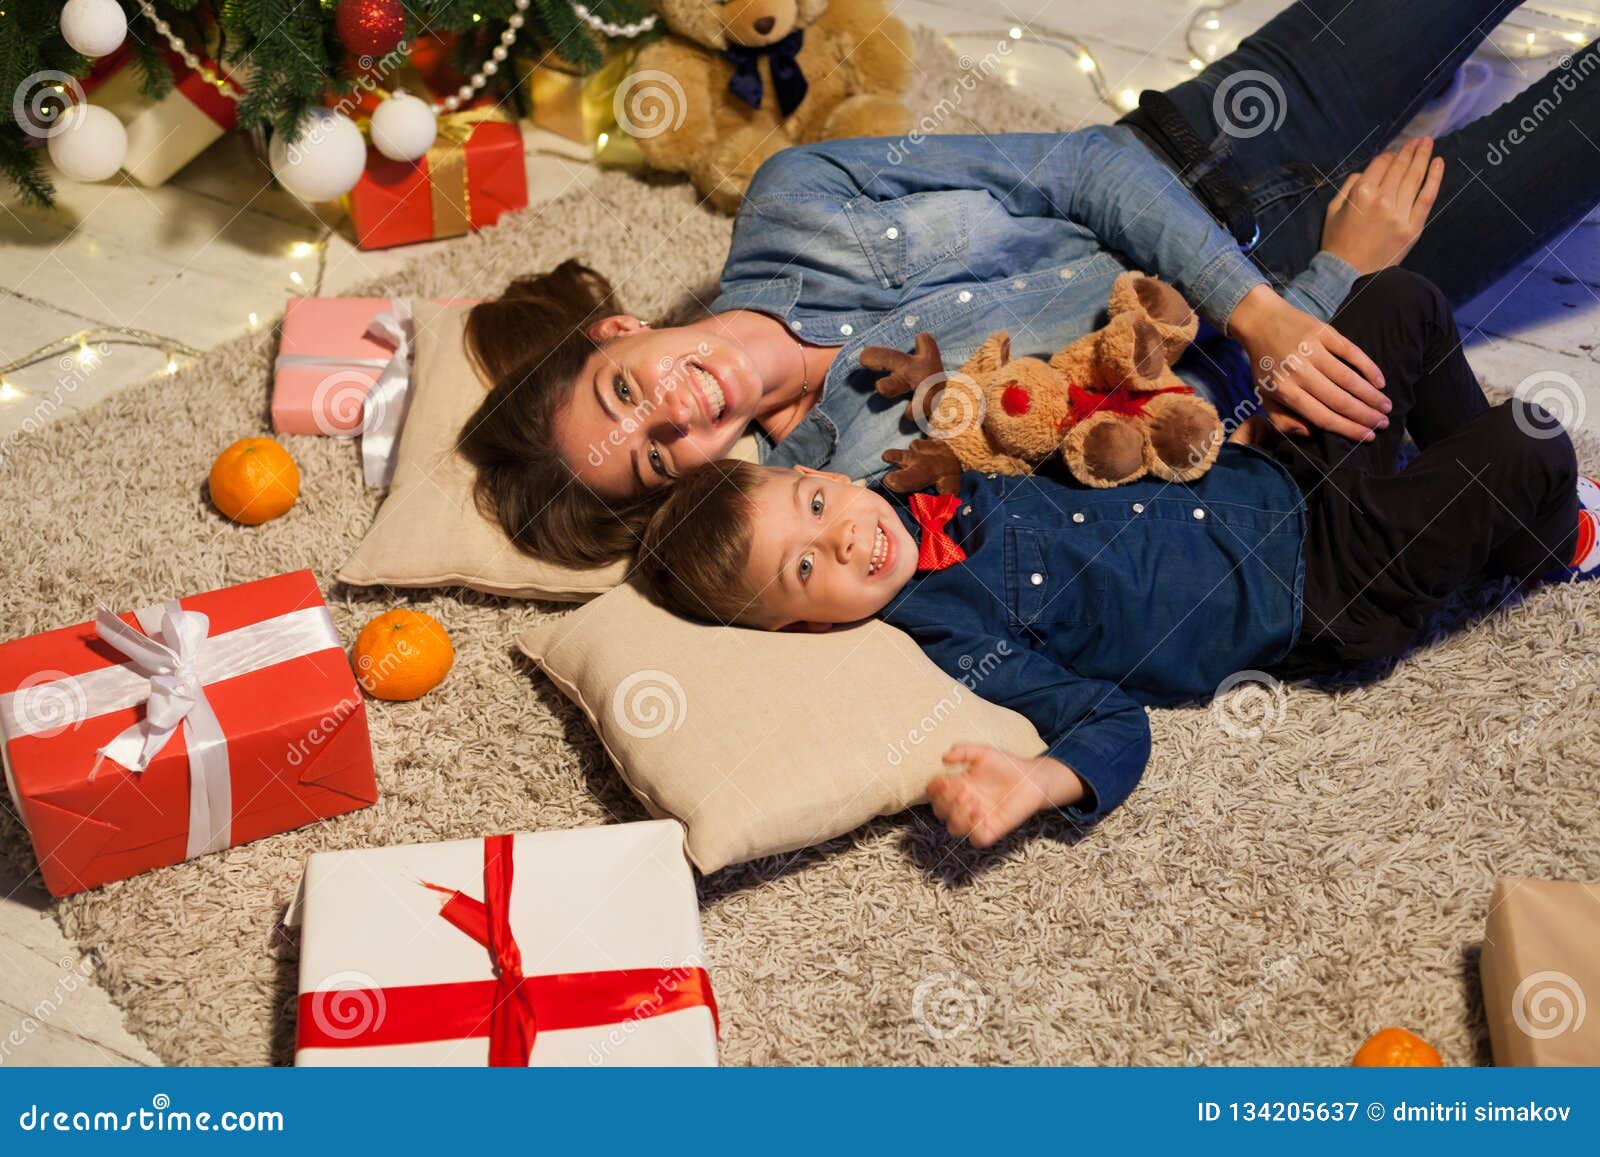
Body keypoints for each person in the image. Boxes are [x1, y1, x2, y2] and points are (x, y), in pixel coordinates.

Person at [458, 0, 1599, 569]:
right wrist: (1335, 282)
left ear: (616, 330)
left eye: (624, 390)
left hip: (1218, 139)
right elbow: (1155, 439)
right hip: (1340, 285)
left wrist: (1263, 318)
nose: (680, 408)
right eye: (660, 452)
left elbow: (1081, 165)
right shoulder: (862, 479)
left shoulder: (797, 195)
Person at [633, 270, 1599, 847]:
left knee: (1404, 303)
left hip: (1277, 477)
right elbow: (1107, 716)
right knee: (1531, 441)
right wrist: (1040, 780)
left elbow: (1027, 426)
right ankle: (1551, 538)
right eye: (808, 569)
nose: (841, 535)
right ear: (802, 626)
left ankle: (1479, 500)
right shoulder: (945, 629)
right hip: (1326, 588)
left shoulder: (904, 489)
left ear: (828, 480)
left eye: (813, 504)